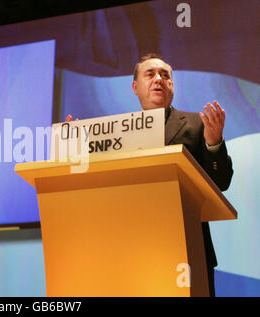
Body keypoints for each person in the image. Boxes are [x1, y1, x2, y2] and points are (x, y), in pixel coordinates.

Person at [67, 53, 233, 296]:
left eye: (165, 75)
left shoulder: (199, 124)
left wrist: (214, 142)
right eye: (150, 74)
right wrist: (73, 150)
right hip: (131, 251)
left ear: (172, 85)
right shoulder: (114, 134)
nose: (159, 79)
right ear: (135, 87)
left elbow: (221, 183)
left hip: (187, 250)